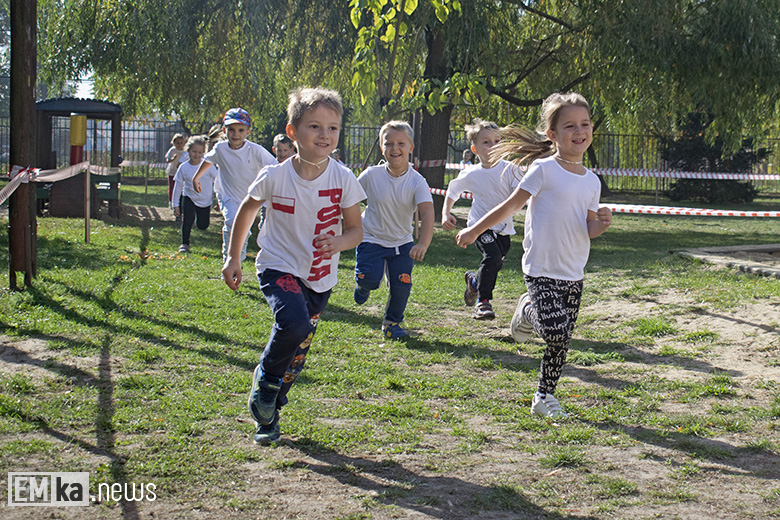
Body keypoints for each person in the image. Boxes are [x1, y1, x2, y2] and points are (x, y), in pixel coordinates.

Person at [222, 87, 366, 445]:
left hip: (320, 276)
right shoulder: (274, 176)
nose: (325, 135)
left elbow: (356, 230)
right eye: (315, 126)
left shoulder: (344, 179)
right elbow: (247, 209)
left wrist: (340, 243)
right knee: (294, 323)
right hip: (277, 264)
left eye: (333, 128)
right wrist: (232, 256)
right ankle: (266, 383)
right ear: (292, 132)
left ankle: (270, 413)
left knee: (298, 350)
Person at [455, 92, 612, 418]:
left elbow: (588, 229)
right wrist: (472, 231)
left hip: (574, 273)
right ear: (552, 135)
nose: (579, 131)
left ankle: (543, 396)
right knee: (556, 331)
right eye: (570, 125)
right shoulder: (543, 169)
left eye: (585, 124)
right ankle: (527, 312)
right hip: (541, 269)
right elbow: (509, 206)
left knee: (561, 340)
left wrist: (602, 224)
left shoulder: (593, 182)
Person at [353, 121, 434, 339]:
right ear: (381, 147)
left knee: (402, 285)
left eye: (400, 143)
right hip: (371, 238)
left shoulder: (418, 181)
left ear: (411, 147)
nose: (394, 148)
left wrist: (422, 243)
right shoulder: (371, 175)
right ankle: (364, 286)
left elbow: (427, 213)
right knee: (369, 278)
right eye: (388, 143)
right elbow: (350, 200)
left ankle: (392, 323)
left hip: (402, 243)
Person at [442, 119, 522, 320]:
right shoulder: (471, 173)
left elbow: (523, 194)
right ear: (475, 149)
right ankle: (483, 302)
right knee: (492, 258)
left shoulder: (511, 169)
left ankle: (475, 283)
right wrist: (446, 213)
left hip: (504, 228)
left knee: (495, 264)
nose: (493, 146)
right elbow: (452, 191)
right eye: (486, 142)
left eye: (497, 141)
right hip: (478, 226)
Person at [192, 108, 277, 262]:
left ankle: (238, 259)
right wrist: (196, 178)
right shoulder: (220, 148)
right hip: (227, 195)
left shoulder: (255, 150)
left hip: (249, 198)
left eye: (240, 130)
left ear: (247, 132)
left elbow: (274, 166)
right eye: (231, 130)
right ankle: (229, 259)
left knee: (243, 229)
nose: (236, 134)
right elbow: (209, 160)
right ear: (224, 130)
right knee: (232, 222)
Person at [172, 135, 218, 253]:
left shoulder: (208, 166)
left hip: (205, 200)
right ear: (188, 151)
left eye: (199, 152)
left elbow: (218, 181)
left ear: (203, 153)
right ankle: (184, 244)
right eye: (194, 152)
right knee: (187, 220)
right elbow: (178, 186)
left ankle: (200, 219)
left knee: (203, 225)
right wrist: (175, 204)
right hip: (189, 197)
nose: (196, 155)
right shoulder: (184, 167)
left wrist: (219, 198)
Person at [165, 133, 188, 211]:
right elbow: (167, 159)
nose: (179, 145)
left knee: (180, 188)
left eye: (181, 143)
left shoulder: (185, 151)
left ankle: (179, 203)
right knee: (172, 187)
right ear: (174, 143)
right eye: (178, 143)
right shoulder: (172, 150)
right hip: (172, 171)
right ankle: (171, 202)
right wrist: (172, 158)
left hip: (181, 172)